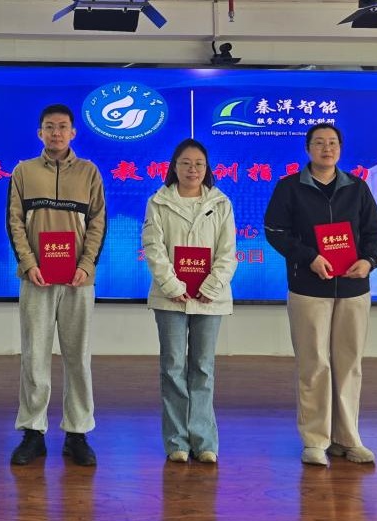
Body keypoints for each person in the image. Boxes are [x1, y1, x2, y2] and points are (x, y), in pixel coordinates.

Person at [263, 123, 377, 466]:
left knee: (349, 364)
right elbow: (275, 231)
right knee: (314, 364)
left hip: (353, 288)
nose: (326, 148)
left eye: (332, 143)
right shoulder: (289, 187)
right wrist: (309, 258)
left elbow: (376, 231)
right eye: (319, 143)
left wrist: (368, 260)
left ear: (340, 149)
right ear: (308, 149)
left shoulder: (357, 188)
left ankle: (347, 438)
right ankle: (315, 440)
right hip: (308, 287)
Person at [6, 104, 107, 467]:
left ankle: (77, 433)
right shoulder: (23, 171)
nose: (56, 133)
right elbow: (15, 222)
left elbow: (98, 223)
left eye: (63, 127)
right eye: (49, 127)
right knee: (34, 355)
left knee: (78, 355)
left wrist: (86, 265)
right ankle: (33, 432)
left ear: (73, 132)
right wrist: (29, 264)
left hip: (78, 281)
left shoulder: (89, 172)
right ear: (40, 133)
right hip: (37, 279)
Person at [141, 138, 237, 465]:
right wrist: (171, 285)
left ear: (206, 168)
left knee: (202, 368)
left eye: (199, 164)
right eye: (185, 163)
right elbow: (153, 247)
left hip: (210, 298)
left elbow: (228, 251)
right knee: (172, 367)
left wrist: (212, 285)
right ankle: (176, 441)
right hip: (170, 298)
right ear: (174, 166)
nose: (192, 169)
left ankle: (204, 440)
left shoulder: (221, 203)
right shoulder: (158, 201)